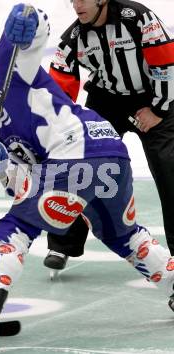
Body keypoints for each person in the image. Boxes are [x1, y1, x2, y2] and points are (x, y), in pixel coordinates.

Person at [0, 4, 174, 352]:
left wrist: (26, 21)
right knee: (122, 234)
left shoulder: (9, 71)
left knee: (16, 227)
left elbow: (32, 30)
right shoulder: (1, 120)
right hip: (110, 151)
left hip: (76, 154)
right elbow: (22, 182)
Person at [45, 0, 174, 272]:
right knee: (79, 164)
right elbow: (57, 91)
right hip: (107, 100)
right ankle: (63, 242)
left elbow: (168, 61)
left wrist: (158, 110)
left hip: (155, 98)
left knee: (170, 174)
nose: (76, 5)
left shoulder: (139, 18)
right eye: (72, 0)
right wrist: (61, 131)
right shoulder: (74, 37)